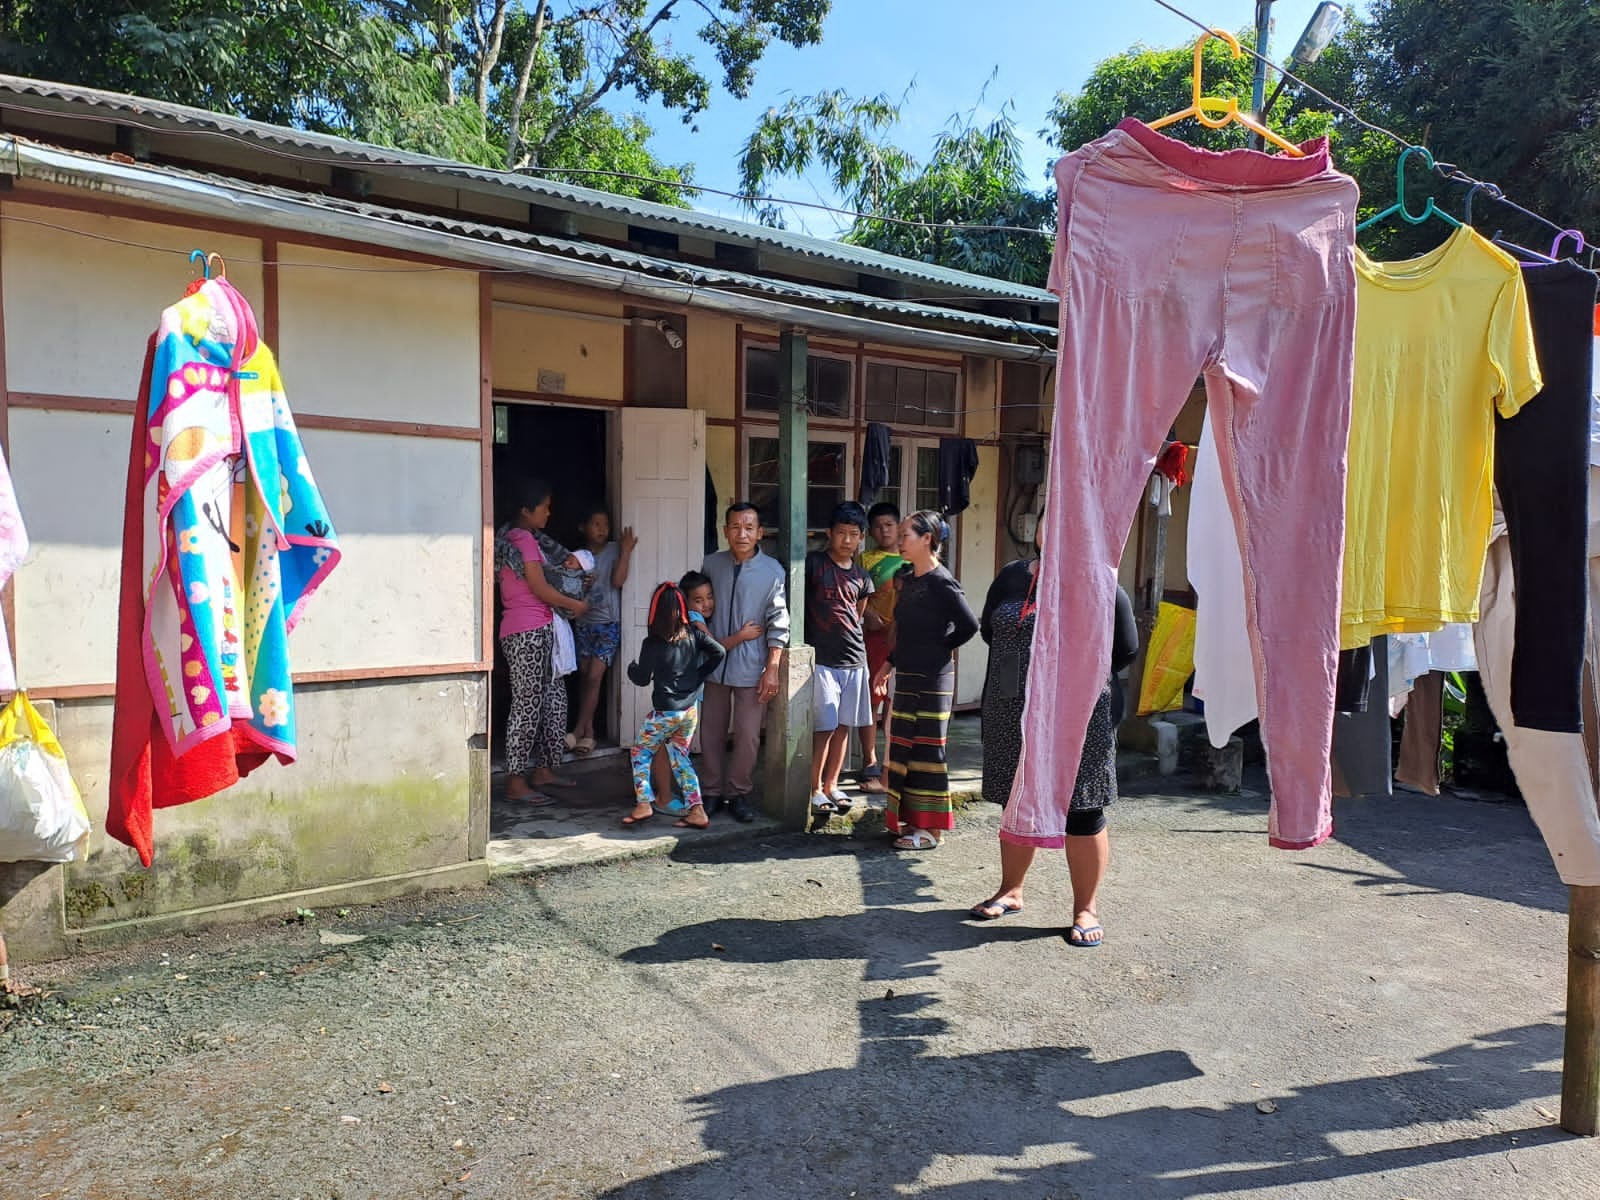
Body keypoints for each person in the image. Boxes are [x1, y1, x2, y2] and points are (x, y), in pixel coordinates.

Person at [969, 519, 1139, 947]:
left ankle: (1086, 908)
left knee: (1083, 808)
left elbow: (1126, 648)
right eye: (1051, 518)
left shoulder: (1101, 581)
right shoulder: (1011, 576)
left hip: (1078, 714)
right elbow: (991, 629)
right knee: (1017, 798)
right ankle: (1011, 890)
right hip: (1012, 710)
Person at [870, 510, 979, 850]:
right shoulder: (910, 579)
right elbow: (904, 632)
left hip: (934, 678)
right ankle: (907, 822)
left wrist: (938, 650)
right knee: (902, 746)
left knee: (928, 752)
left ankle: (931, 831)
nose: (900, 541)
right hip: (908, 675)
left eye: (906, 535)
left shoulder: (941, 581)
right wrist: (888, 665)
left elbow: (969, 626)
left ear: (927, 539)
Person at [495, 479, 589, 805]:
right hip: (527, 632)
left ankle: (545, 769)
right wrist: (575, 604)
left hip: (541, 629)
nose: (549, 513)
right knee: (527, 706)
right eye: (544, 507)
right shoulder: (521, 540)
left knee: (553, 702)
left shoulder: (524, 539)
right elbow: (538, 587)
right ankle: (516, 780)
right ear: (525, 510)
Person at [700, 502, 790, 823]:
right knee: (710, 732)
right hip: (714, 666)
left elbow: (779, 621)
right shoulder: (711, 565)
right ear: (725, 531)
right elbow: (699, 609)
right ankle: (710, 791)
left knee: (749, 735)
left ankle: (737, 793)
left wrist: (773, 667)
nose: (742, 534)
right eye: (735, 527)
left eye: (749, 527)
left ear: (759, 533)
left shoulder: (772, 571)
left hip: (752, 668)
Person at [623, 582, 725, 830]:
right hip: (689, 710)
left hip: (665, 711)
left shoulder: (653, 643)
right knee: (681, 758)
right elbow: (720, 652)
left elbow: (641, 678)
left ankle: (644, 803)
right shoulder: (695, 635)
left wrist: (632, 668)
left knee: (639, 753)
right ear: (682, 609)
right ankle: (697, 810)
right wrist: (698, 676)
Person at [805, 503, 876, 816]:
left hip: (855, 659)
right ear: (829, 534)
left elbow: (858, 616)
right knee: (825, 725)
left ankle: (833, 784)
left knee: (844, 725)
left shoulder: (862, 576)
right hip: (822, 659)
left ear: (861, 537)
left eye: (854, 534)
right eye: (841, 533)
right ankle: (814, 788)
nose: (847, 540)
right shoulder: (814, 565)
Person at [570, 507, 637, 755]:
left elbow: (618, 581)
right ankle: (589, 733)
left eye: (605, 525)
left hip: (608, 623)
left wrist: (626, 550)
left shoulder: (612, 550)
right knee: (584, 677)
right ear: (583, 527)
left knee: (595, 677)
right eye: (596, 524)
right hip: (584, 623)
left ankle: (578, 730)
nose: (602, 529)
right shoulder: (577, 556)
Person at [650, 570, 714, 810]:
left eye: (709, 596)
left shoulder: (682, 622)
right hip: (682, 697)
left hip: (676, 694)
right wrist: (742, 636)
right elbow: (715, 647)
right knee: (671, 747)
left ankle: (667, 795)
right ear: (685, 603)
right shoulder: (695, 620)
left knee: (670, 745)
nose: (706, 603)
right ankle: (664, 797)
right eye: (698, 599)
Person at [858, 502, 903, 797]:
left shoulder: (910, 560)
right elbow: (855, 597)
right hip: (872, 637)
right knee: (870, 702)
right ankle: (870, 759)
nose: (883, 530)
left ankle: (893, 763)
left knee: (896, 706)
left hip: (901, 638)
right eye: (877, 525)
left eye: (889, 524)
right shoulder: (864, 559)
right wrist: (864, 617)